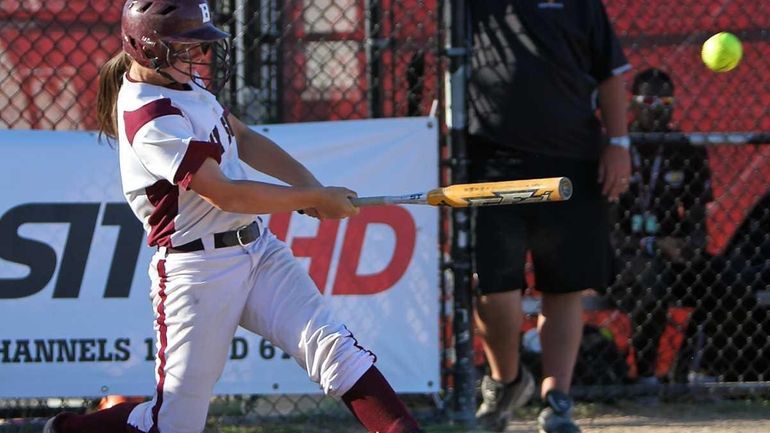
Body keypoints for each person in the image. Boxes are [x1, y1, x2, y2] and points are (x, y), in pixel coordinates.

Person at [44, 1, 424, 433]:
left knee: (334, 351)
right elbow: (224, 193)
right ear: (149, 50)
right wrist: (308, 196)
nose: (200, 56)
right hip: (197, 270)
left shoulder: (181, 84)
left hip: (258, 250)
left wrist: (313, 190)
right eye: (187, 47)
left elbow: (241, 136)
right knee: (174, 424)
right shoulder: (149, 115)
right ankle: (67, 430)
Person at [467, 1, 631, 432]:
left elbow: (610, 75)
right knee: (492, 285)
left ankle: (556, 402)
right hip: (493, 160)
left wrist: (620, 145)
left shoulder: (582, 6)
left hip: (573, 160)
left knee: (565, 285)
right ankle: (506, 382)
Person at [609, 68, 713, 386]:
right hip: (622, 259)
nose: (658, 108)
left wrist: (691, 246)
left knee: (730, 278)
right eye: (650, 99)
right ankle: (645, 377)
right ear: (633, 104)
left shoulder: (685, 149)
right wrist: (654, 245)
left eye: (666, 100)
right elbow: (608, 234)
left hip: (672, 254)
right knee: (652, 279)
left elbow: (697, 221)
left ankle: (697, 369)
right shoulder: (616, 151)